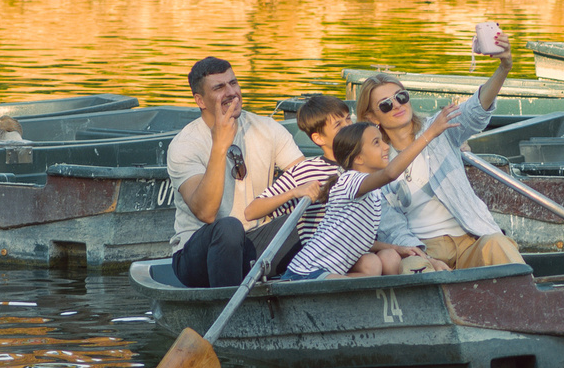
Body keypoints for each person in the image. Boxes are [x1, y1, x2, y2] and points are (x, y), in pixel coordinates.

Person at [354, 25, 525, 270]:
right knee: (413, 267)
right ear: (372, 117)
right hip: (424, 247)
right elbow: (391, 226)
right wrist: (427, 258)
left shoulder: (438, 126)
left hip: (469, 240)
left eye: (401, 96)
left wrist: (504, 67)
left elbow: (475, 111)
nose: (397, 106)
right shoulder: (377, 161)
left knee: (498, 244)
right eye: (385, 105)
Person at [166, 55, 320, 287]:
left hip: (255, 244)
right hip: (200, 255)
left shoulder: (267, 128)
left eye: (233, 83)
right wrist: (219, 146)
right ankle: (229, 313)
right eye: (219, 87)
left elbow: (305, 175)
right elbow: (206, 213)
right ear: (200, 100)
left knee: (317, 213)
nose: (231, 92)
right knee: (229, 227)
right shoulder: (185, 145)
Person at [289, 108, 461, 279]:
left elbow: (360, 239)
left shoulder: (373, 193)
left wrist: (397, 248)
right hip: (307, 271)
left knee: (379, 268)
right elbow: (390, 174)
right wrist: (429, 134)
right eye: (376, 143)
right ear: (358, 158)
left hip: (331, 271)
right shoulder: (349, 181)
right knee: (354, 288)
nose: (386, 147)